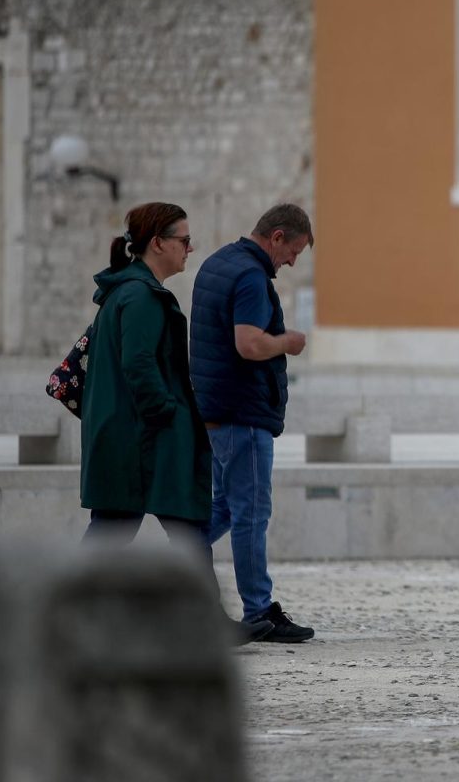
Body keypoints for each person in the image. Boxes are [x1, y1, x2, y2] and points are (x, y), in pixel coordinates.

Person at [80, 202, 273, 645]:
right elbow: (139, 365)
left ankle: (204, 620)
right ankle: (68, 609)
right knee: (127, 530)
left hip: (135, 439)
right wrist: (168, 414)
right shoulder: (140, 297)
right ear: (158, 243)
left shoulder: (129, 292)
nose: (190, 248)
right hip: (143, 440)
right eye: (184, 240)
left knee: (175, 528)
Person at [189, 203, 315, 643]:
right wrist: (288, 342)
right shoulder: (249, 276)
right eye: (293, 251)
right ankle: (259, 610)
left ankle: (182, 546)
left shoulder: (217, 263)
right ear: (276, 237)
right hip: (243, 414)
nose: (292, 262)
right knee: (251, 513)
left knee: (225, 506)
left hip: (216, 411)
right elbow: (249, 344)